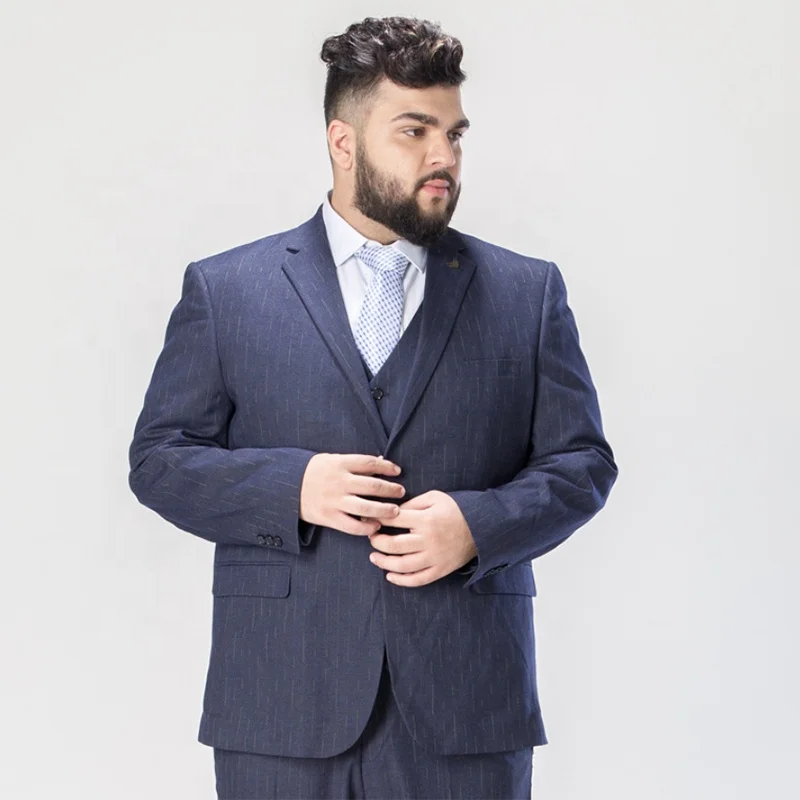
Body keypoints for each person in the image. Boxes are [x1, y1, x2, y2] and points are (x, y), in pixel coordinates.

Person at [128, 15, 618, 800]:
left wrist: (478, 526)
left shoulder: (526, 294)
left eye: (454, 134)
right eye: (414, 131)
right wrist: (293, 488)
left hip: (467, 709)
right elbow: (159, 460)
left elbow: (582, 463)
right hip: (280, 706)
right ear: (343, 142)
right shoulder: (228, 291)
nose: (443, 157)